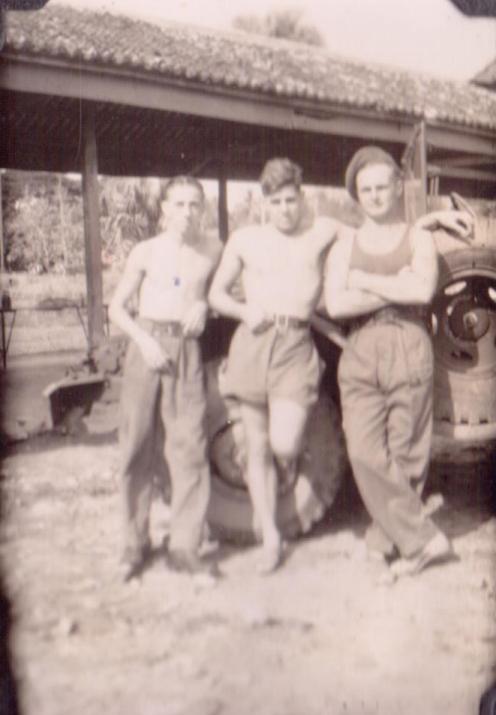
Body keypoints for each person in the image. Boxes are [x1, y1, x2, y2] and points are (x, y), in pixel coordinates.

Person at [325, 146, 455, 579]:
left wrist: (363, 280)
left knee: (406, 453)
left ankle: (390, 543)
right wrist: (393, 284)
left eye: (383, 187)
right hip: (360, 346)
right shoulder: (345, 245)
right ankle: (423, 539)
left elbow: (421, 292)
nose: (375, 196)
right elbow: (336, 304)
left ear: (399, 187)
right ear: (356, 195)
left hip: (407, 342)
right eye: (367, 190)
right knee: (363, 451)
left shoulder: (418, 238)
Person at [209, 158, 341, 574]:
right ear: (264, 203)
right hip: (253, 342)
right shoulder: (246, 240)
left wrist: (431, 221)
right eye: (276, 202)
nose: (285, 209)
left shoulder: (321, 232)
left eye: (291, 200)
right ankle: (270, 535)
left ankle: (276, 488)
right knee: (256, 444)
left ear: (302, 198)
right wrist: (242, 310)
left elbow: (372, 231)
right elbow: (216, 294)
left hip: (296, 344)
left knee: (285, 443)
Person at [109, 176, 221, 581]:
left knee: (189, 446)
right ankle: (134, 543)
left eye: (194, 205)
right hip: (147, 346)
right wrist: (143, 340)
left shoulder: (213, 249)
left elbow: (223, 293)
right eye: (178, 204)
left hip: (187, 350)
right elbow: (116, 308)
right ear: (164, 209)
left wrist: (204, 304)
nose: (186, 213)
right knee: (136, 445)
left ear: (202, 209)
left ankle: (184, 546)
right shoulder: (146, 251)